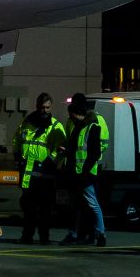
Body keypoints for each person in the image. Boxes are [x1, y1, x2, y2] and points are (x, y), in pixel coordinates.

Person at [12, 92, 65, 243]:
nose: (44, 110)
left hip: (45, 174)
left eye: (47, 108)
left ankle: (44, 237)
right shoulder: (27, 122)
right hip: (28, 173)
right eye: (42, 107)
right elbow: (17, 138)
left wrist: (51, 160)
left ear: (51, 107)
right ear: (36, 106)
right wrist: (17, 154)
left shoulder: (55, 126)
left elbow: (61, 148)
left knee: (45, 209)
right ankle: (27, 236)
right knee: (29, 209)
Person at [60, 96, 110, 247]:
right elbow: (78, 151)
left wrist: (84, 171)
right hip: (80, 173)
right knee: (84, 205)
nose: (70, 117)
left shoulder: (90, 127)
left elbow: (93, 153)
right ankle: (92, 234)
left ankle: (98, 233)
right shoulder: (82, 127)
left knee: (91, 204)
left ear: (78, 113)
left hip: (85, 174)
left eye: (72, 114)